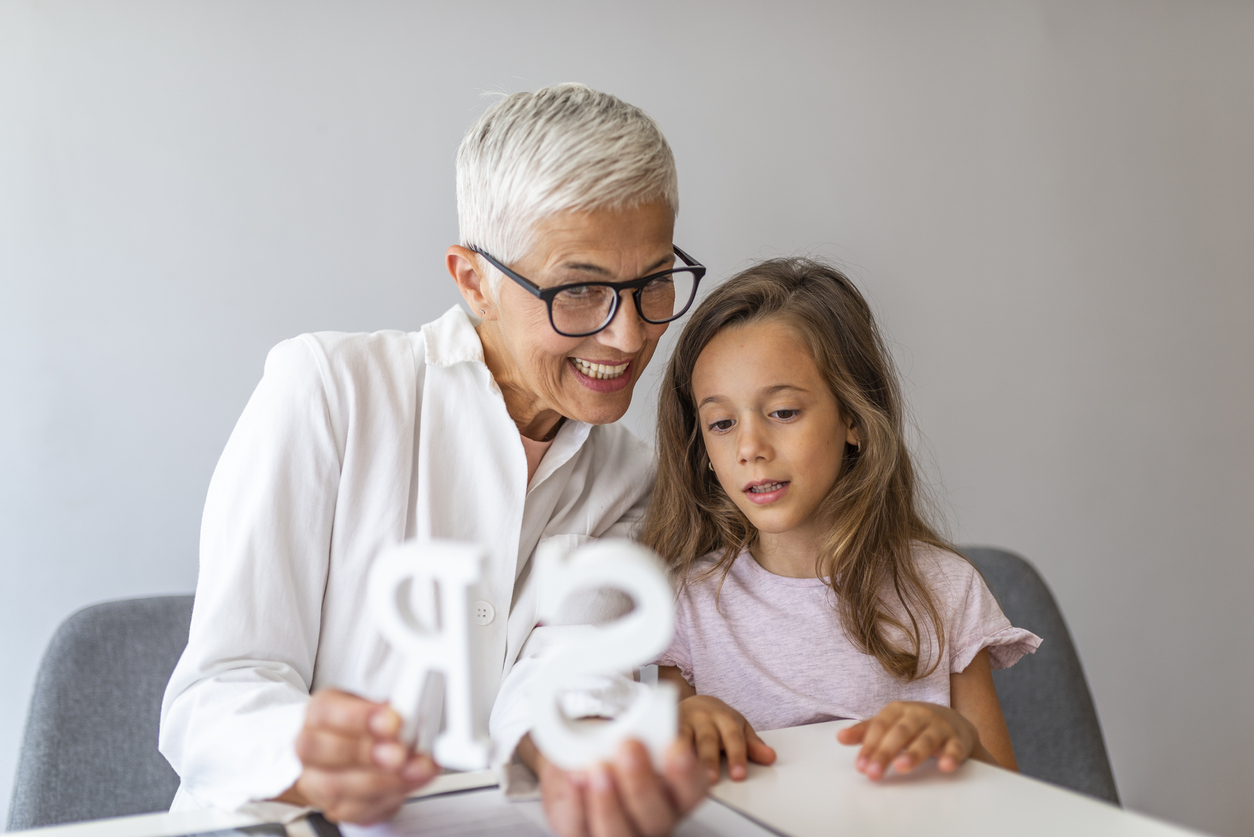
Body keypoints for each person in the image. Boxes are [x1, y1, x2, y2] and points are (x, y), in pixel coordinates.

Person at [159, 83, 709, 834]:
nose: (626, 336)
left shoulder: (629, 481)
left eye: (650, 284)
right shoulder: (328, 390)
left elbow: (564, 677)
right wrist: (298, 746)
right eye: (579, 290)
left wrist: (578, 747)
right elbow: (215, 692)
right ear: (472, 279)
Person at [640, 258, 1041, 785]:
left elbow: (1017, 815)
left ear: (853, 417)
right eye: (721, 423)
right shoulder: (686, 604)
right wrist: (676, 730)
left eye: (783, 412)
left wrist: (962, 746)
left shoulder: (946, 590)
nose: (750, 448)